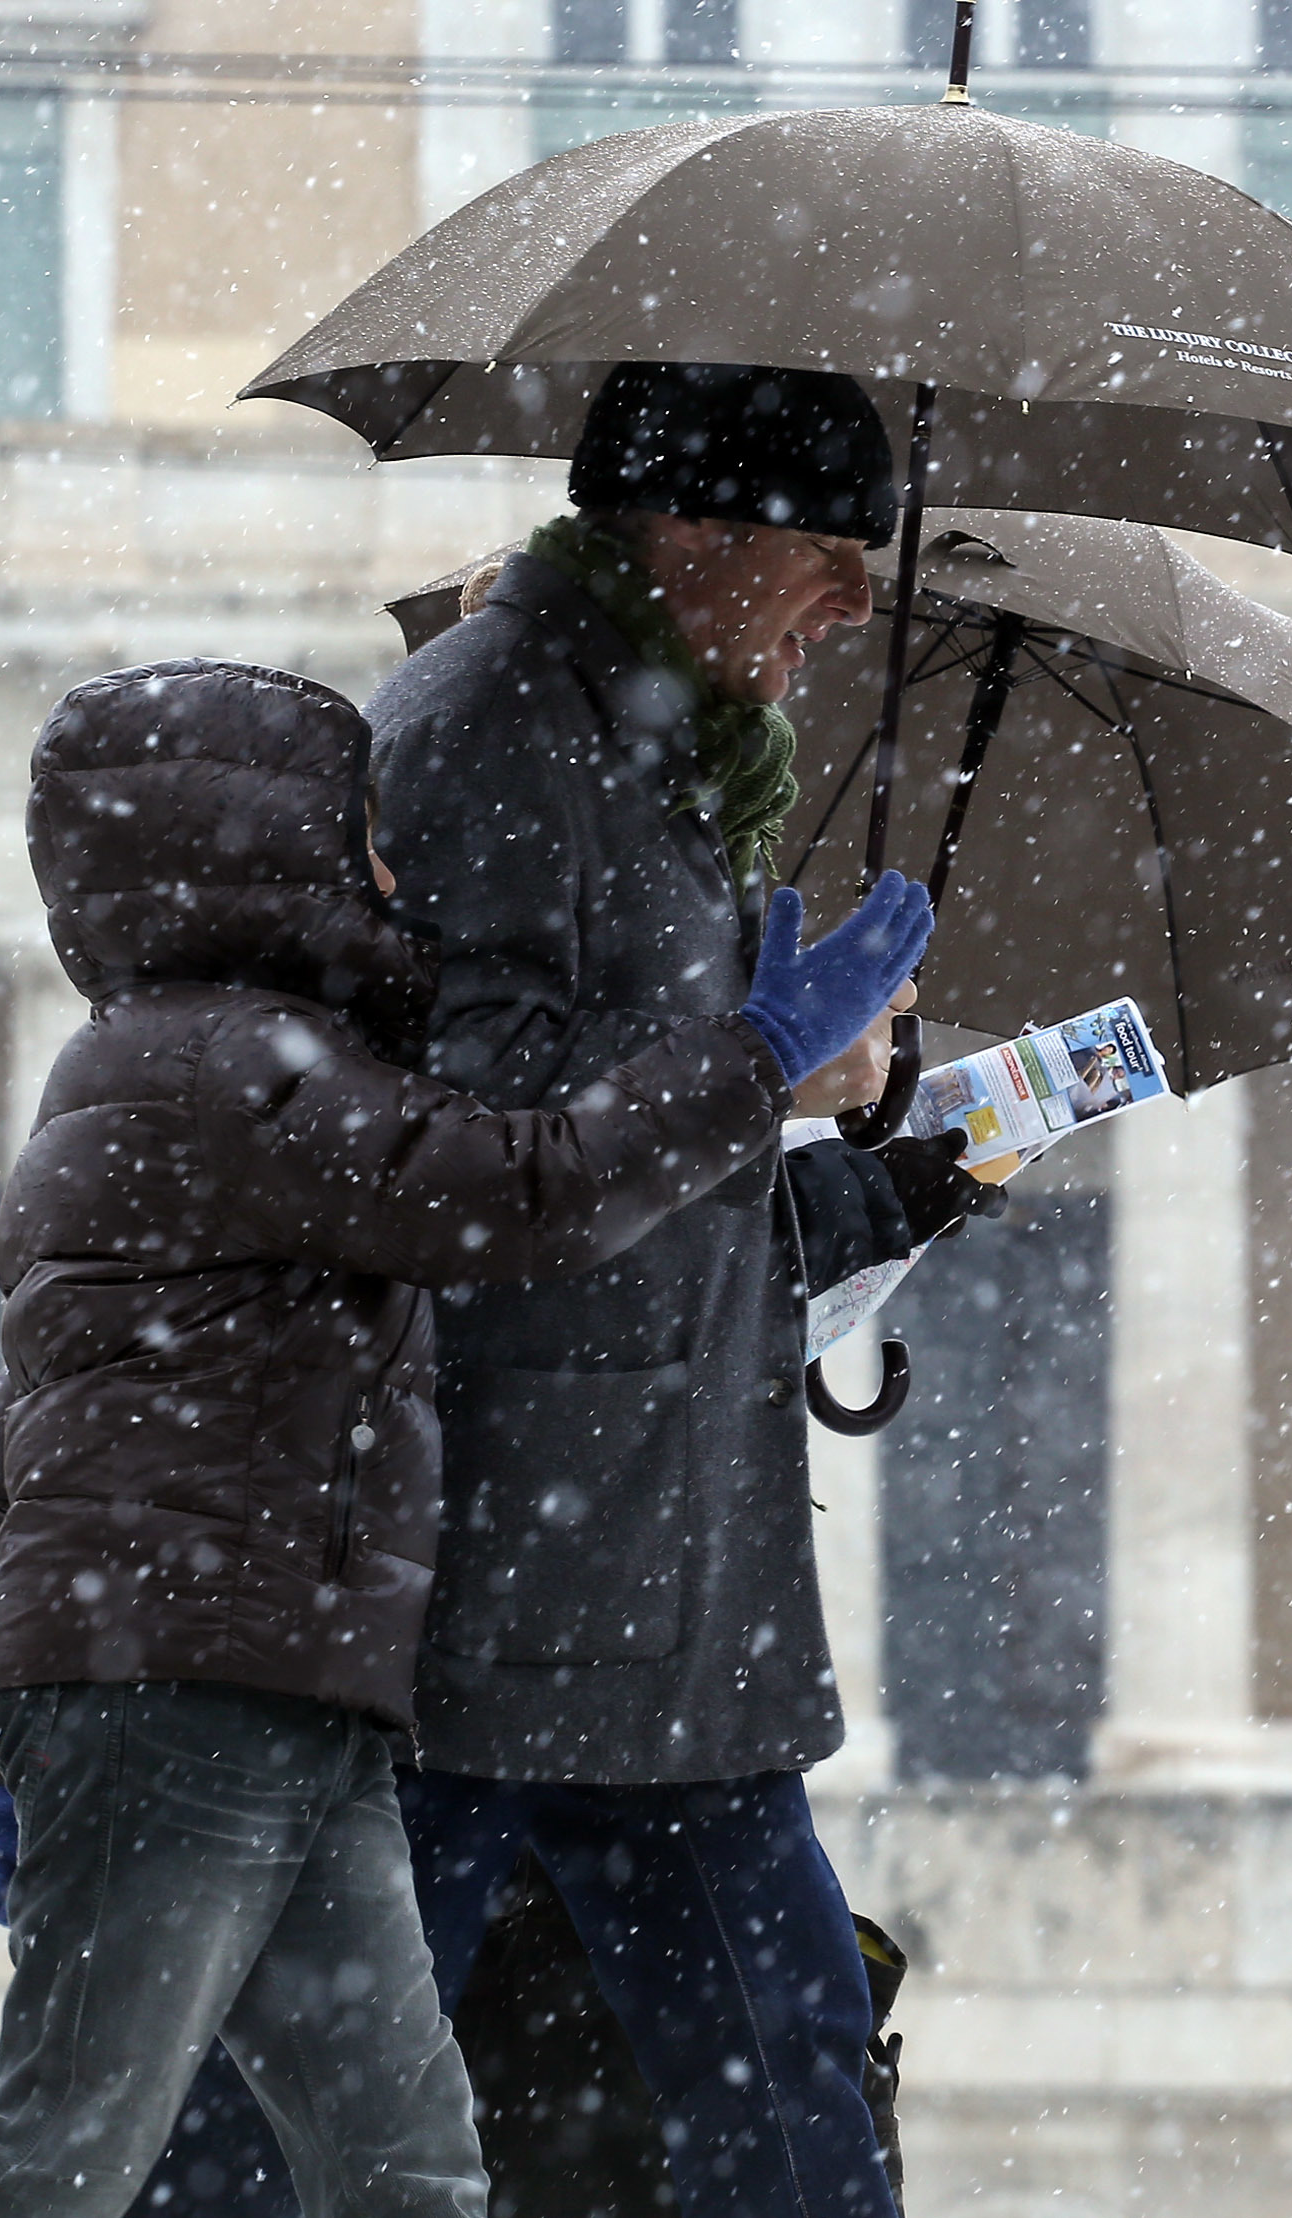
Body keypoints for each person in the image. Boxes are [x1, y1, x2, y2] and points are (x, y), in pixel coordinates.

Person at [0, 654, 933, 2218]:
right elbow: (525, 1194)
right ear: (262, 858)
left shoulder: (208, 1063)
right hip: (195, 1691)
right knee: (64, 2145)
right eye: (359, 833)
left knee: (405, 2165)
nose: (393, 867)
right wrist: (764, 1053)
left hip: (283, 1690)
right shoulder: (233, 1068)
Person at [345, 361, 977, 2218]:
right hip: (525, 1575)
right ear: (690, 531)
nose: (860, 598)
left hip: (634, 1587)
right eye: (830, 550)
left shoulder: (652, 747)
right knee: (309, 2113)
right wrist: (763, 1057)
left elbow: (661, 1193)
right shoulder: (487, 730)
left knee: (784, 2105)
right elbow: (482, 1146)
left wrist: (879, 1176)